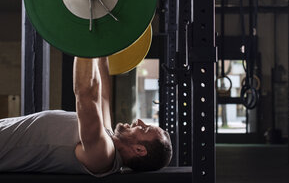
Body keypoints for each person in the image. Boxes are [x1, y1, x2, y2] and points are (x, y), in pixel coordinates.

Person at [0, 57, 172, 177]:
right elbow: (102, 93)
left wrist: (85, 39)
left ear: (139, 150)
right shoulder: (108, 136)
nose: (138, 121)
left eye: (144, 128)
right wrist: (100, 30)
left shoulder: (103, 155)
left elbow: (86, 94)